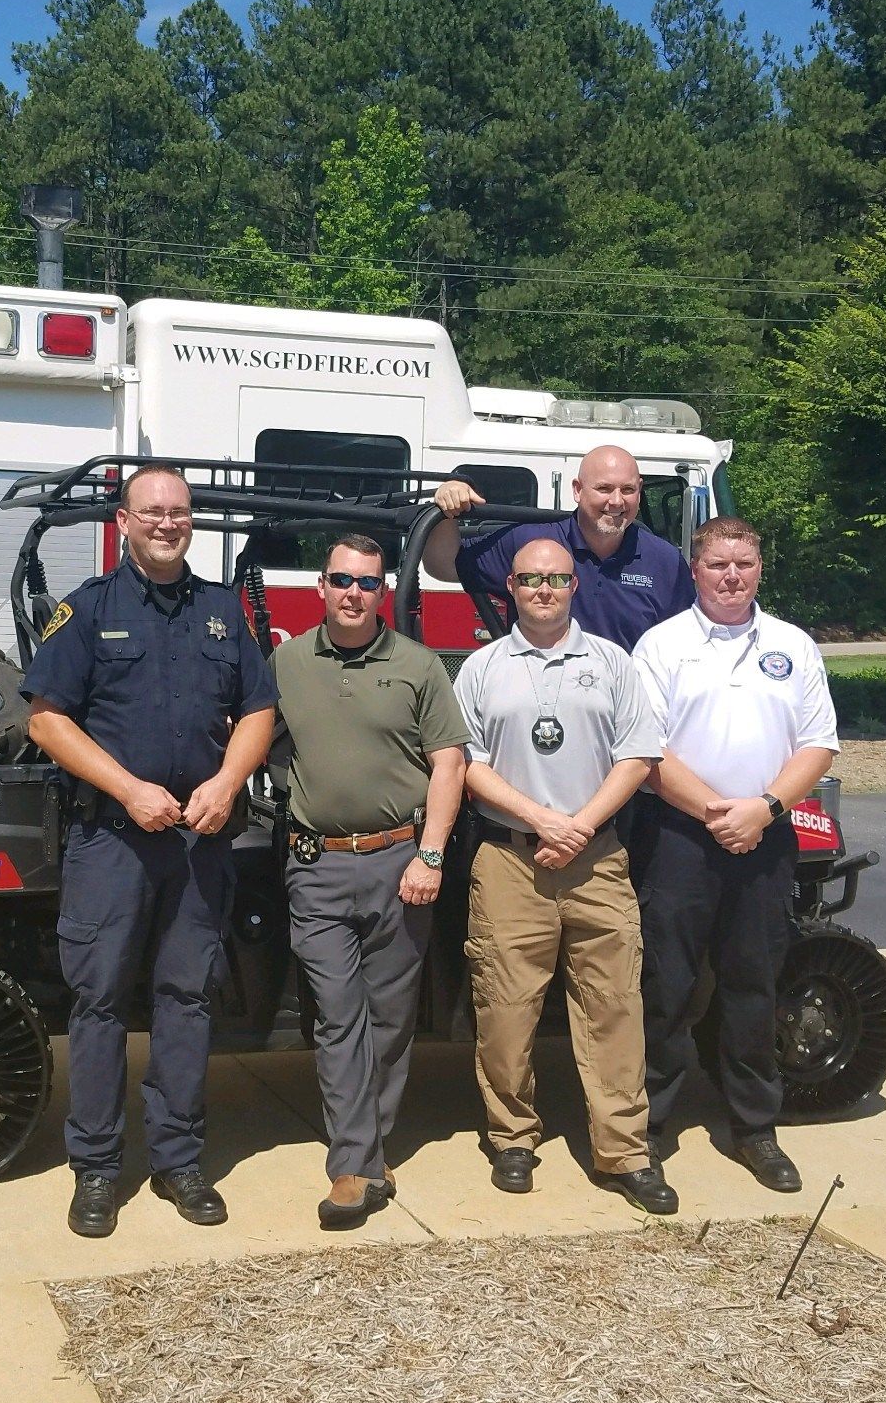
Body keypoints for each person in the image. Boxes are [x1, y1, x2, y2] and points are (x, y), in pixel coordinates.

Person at [21, 464, 277, 1238]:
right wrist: (128, 787)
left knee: (186, 999)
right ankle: (96, 1168)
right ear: (124, 522)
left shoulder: (220, 613)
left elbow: (258, 709)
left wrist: (230, 780)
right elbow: (47, 720)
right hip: (113, 840)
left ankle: (177, 1160)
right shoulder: (89, 609)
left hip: (198, 843)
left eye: (179, 512)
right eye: (152, 512)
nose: (167, 523)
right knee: (98, 1004)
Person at [450, 537, 678, 1215]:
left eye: (555, 579)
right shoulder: (481, 668)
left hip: (597, 858)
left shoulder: (610, 662)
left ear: (573, 586)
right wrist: (542, 822)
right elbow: (468, 763)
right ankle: (511, 1137)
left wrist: (577, 826)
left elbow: (637, 756)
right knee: (504, 1010)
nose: (542, 590)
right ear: (511, 589)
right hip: (509, 860)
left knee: (613, 1007)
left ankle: (624, 1151)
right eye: (529, 580)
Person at [631, 516, 838, 1193]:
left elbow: (817, 745)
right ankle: (647, 1130)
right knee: (666, 988)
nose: (731, 576)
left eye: (743, 565)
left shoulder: (792, 646)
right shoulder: (660, 646)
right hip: (681, 840)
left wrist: (763, 809)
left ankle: (753, 1129)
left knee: (753, 989)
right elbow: (647, 750)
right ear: (695, 570)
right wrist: (718, 814)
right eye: (718, 564)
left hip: (764, 836)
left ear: (758, 570)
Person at [270, 535, 468, 1229]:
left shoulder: (416, 665)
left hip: (398, 865)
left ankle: (369, 1143)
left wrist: (431, 856)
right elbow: (251, 734)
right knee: (336, 1016)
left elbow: (449, 764)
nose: (352, 593)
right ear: (319, 588)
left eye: (366, 583)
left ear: (382, 591)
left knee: (388, 1021)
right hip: (316, 867)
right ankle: (351, 1166)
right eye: (340, 580)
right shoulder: (287, 661)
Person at [423, 444, 694, 652]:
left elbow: (682, 645)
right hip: (540, 705)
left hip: (625, 712)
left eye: (627, 490)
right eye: (604, 488)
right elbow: (444, 566)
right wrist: (449, 507)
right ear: (577, 490)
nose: (616, 501)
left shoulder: (665, 561)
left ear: (639, 490)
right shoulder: (529, 542)